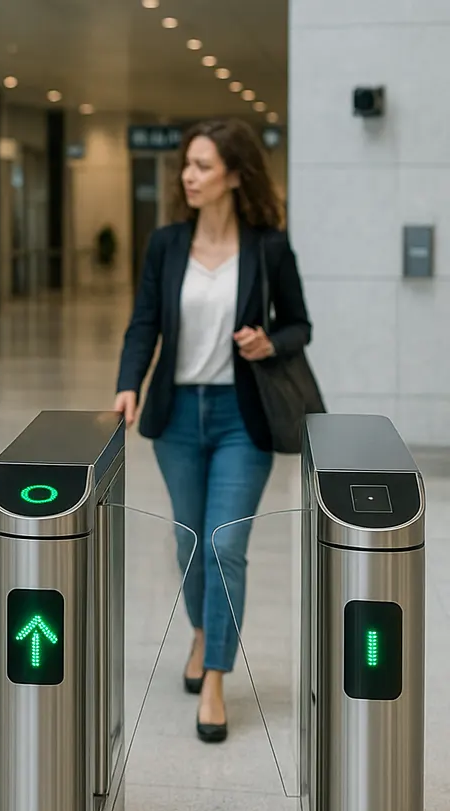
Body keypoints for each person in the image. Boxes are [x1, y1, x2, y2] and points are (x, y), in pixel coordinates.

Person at [114, 117, 310, 744]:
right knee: (189, 545)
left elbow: (299, 325)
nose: (188, 176)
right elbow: (144, 321)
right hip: (178, 417)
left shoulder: (268, 247)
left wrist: (267, 342)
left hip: (240, 417)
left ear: (234, 174)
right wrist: (128, 383)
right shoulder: (167, 243)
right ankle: (201, 630)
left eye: (201, 165)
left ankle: (217, 677)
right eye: (187, 165)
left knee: (224, 545)